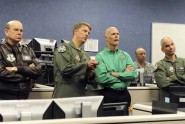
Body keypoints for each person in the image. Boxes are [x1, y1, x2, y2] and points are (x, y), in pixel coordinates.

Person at [52, 22, 99, 98]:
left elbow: (92, 82)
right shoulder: (64, 49)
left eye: (88, 33)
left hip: (80, 94)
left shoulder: (86, 55)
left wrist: (90, 75)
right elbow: (65, 69)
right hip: (65, 92)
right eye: (84, 31)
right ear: (75, 31)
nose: (87, 34)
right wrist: (86, 65)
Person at [95, 27, 137, 106]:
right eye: (113, 34)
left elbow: (133, 75)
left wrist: (116, 74)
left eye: (118, 34)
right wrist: (124, 75)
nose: (116, 36)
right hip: (108, 94)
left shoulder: (125, 55)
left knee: (126, 118)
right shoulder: (100, 56)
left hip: (125, 94)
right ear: (106, 38)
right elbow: (102, 79)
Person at [0, 20, 42, 100]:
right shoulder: (1, 50)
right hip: (4, 96)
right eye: (16, 30)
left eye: (21, 30)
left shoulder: (28, 50)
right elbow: (2, 73)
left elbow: (38, 71)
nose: (19, 33)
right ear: (6, 32)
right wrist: (28, 75)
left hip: (24, 96)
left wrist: (18, 69)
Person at [154, 37, 185, 101]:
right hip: (167, 99)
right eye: (167, 46)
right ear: (162, 49)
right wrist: (181, 79)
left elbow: (168, 81)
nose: (171, 47)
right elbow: (163, 84)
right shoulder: (159, 65)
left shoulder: (183, 62)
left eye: (172, 44)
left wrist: (171, 78)